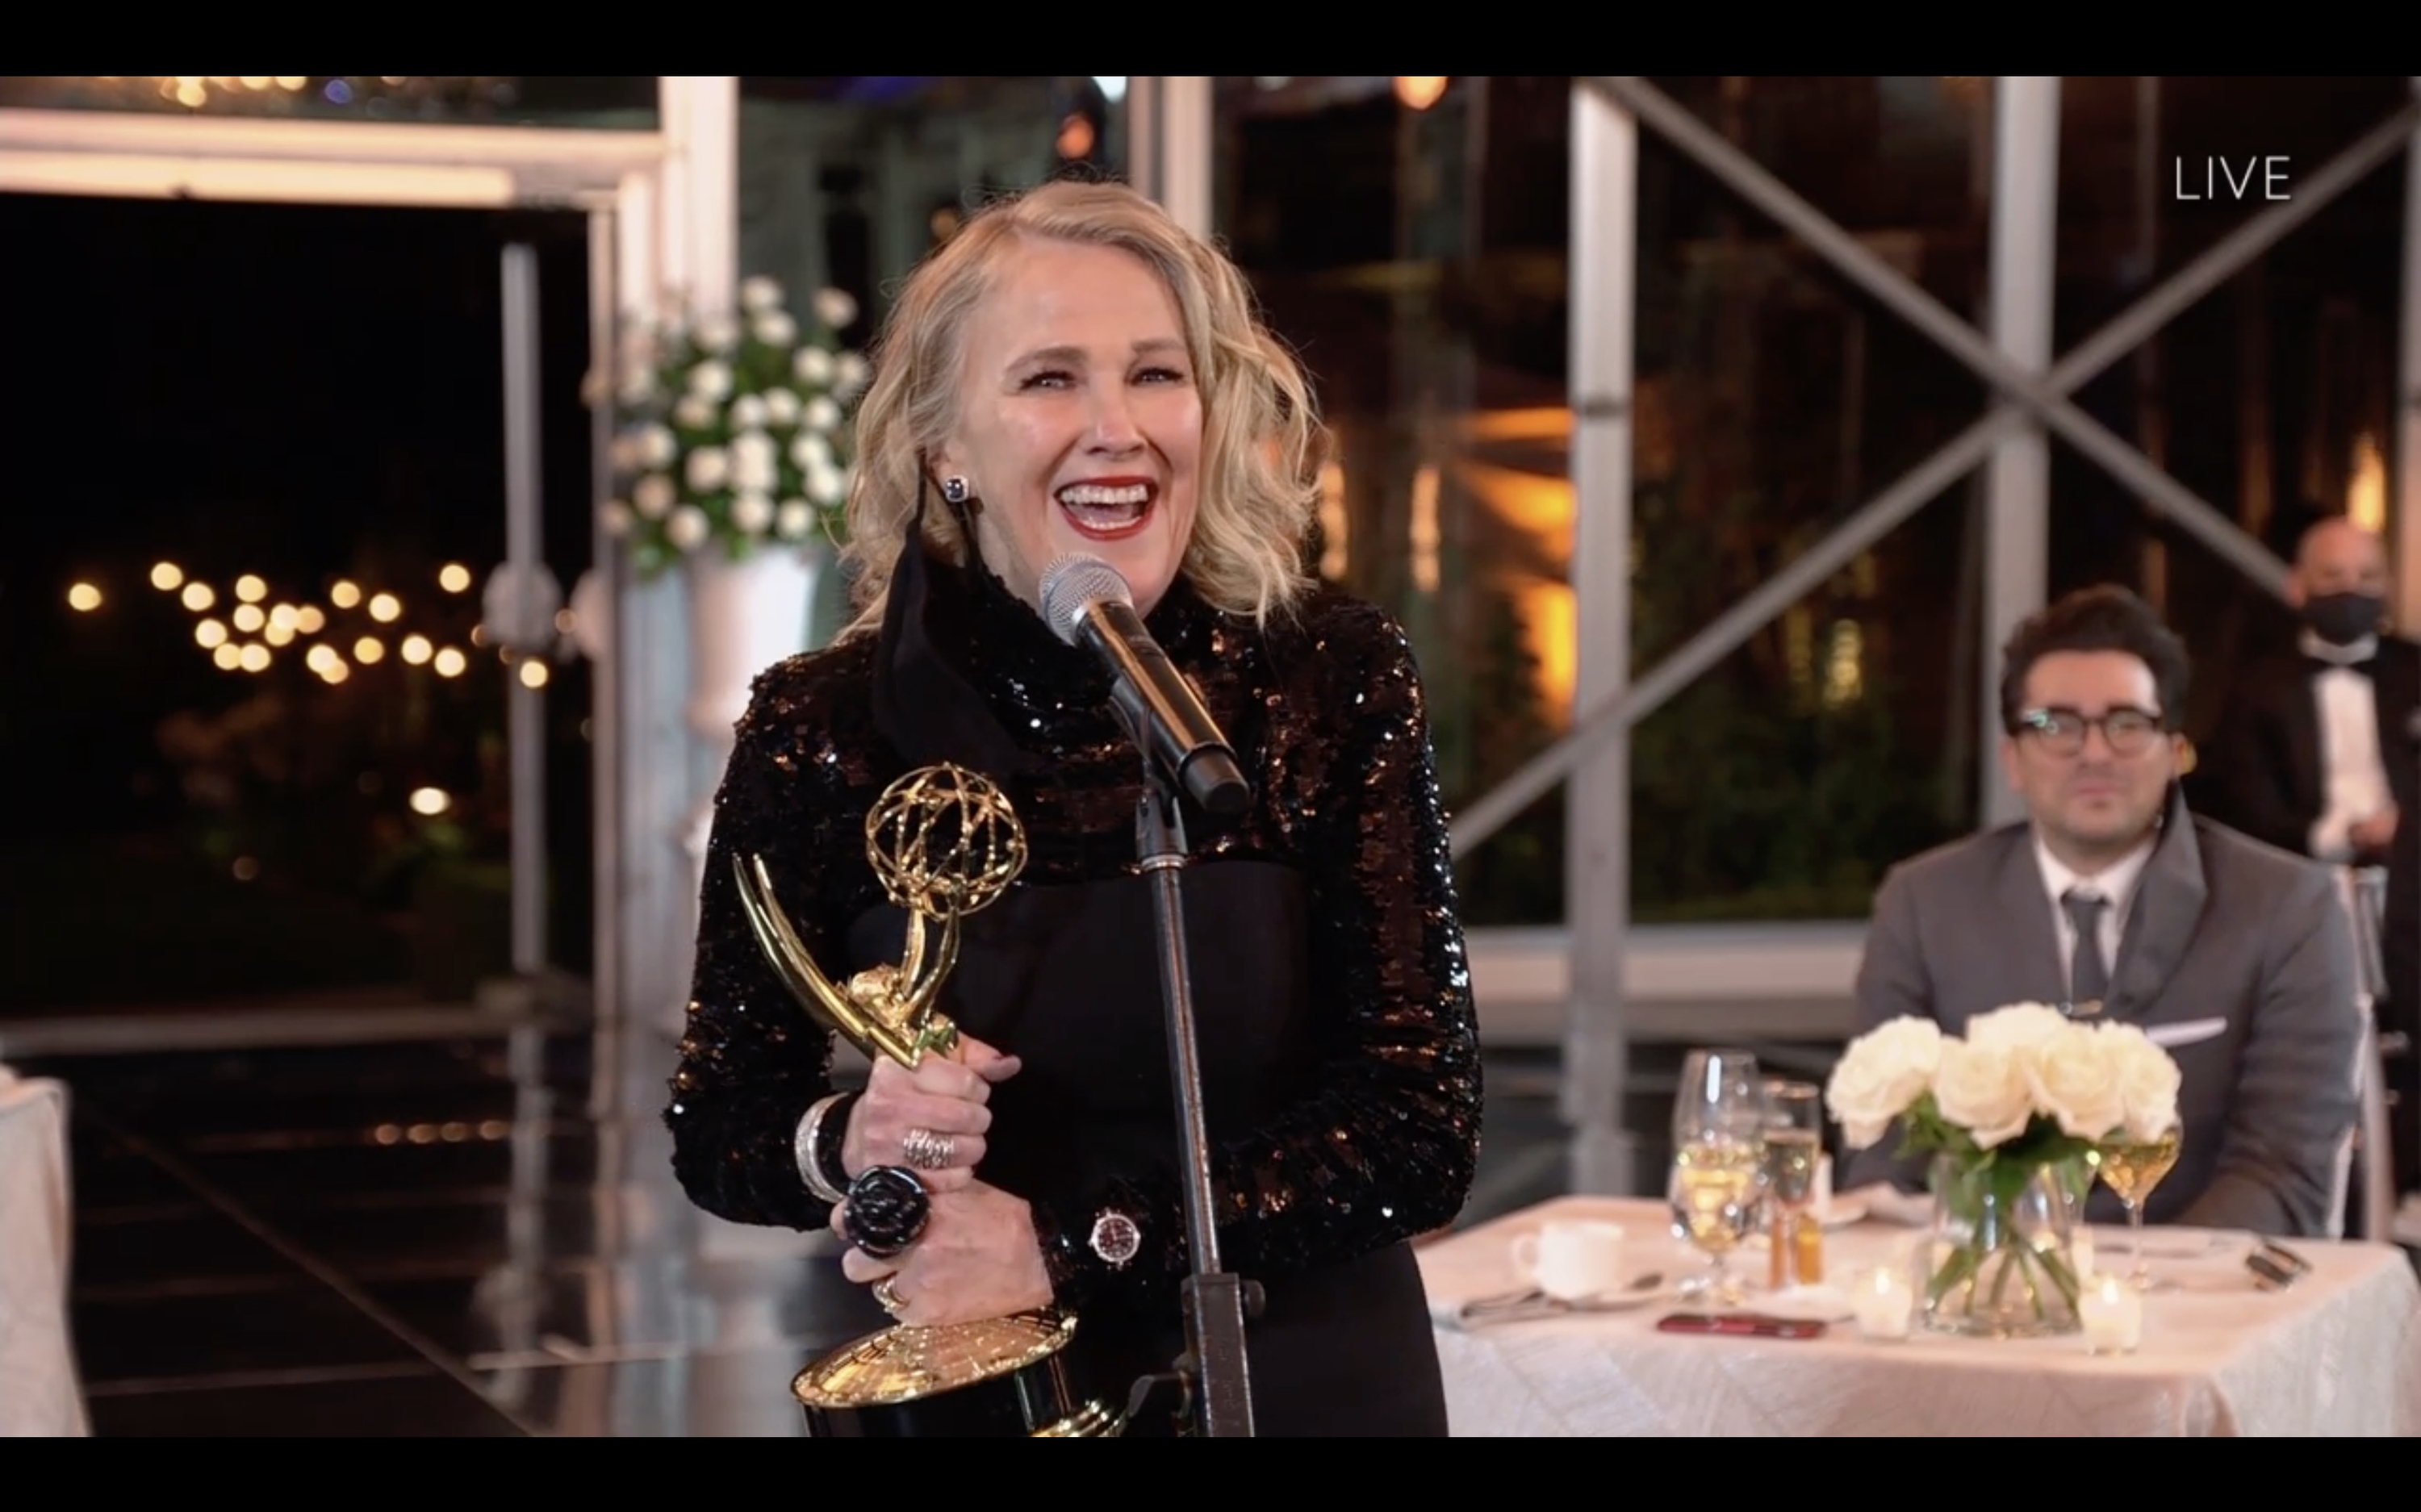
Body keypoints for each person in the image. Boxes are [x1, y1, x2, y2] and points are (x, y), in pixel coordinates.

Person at [662, 178, 1482, 1435]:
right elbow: (722, 1124)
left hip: (1311, 1374)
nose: (1119, 426)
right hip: (984, 1382)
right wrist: (851, 1138)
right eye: (1050, 380)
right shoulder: (821, 724)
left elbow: (1419, 1126)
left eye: (1158, 375)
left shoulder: (1326, 675)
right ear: (945, 446)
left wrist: (1069, 1240)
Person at [1842, 584, 2361, 1238]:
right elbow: (1885, 1155)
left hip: (2201, 1309)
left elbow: (2283, 1171)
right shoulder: (1923, 903)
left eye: (2126, 724)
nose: (2094, 753)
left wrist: (2145, 1294)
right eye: (2056, 725)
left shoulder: (2288, 909)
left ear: (2175, 753)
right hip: (1979, 1297)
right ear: (2013, 760)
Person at [2194, 515, 2421, 1203]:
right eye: (2333, 576)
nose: (2351, 591)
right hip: (2308, 887)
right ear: (2298, 586)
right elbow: (2242, 806)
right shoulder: (2256, 687)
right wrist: (2344, 837)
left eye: (2366, 577)